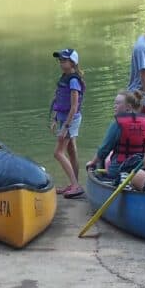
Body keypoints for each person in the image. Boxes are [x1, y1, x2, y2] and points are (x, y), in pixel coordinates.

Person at [85, 90, 145, 181]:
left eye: (118, 103)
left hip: (118, 170)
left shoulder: (117, 123)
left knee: (101, 158)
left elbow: (104, 149)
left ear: (128, 107)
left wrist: (92, 163)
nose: (114, 106)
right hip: (142, 169)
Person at [50, 48, 85, 199]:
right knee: (71, 150)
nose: (61, 62)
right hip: (64, 118)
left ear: (73, 63)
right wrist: (55, 118)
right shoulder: (64, 77)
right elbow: (59, 100)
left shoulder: (73, 80)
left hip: (70, 120)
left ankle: (76, 186)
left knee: (58, 153)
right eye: (60, 60)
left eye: (64, 60)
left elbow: (74, 106)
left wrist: (65, 127)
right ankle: (74, 183)